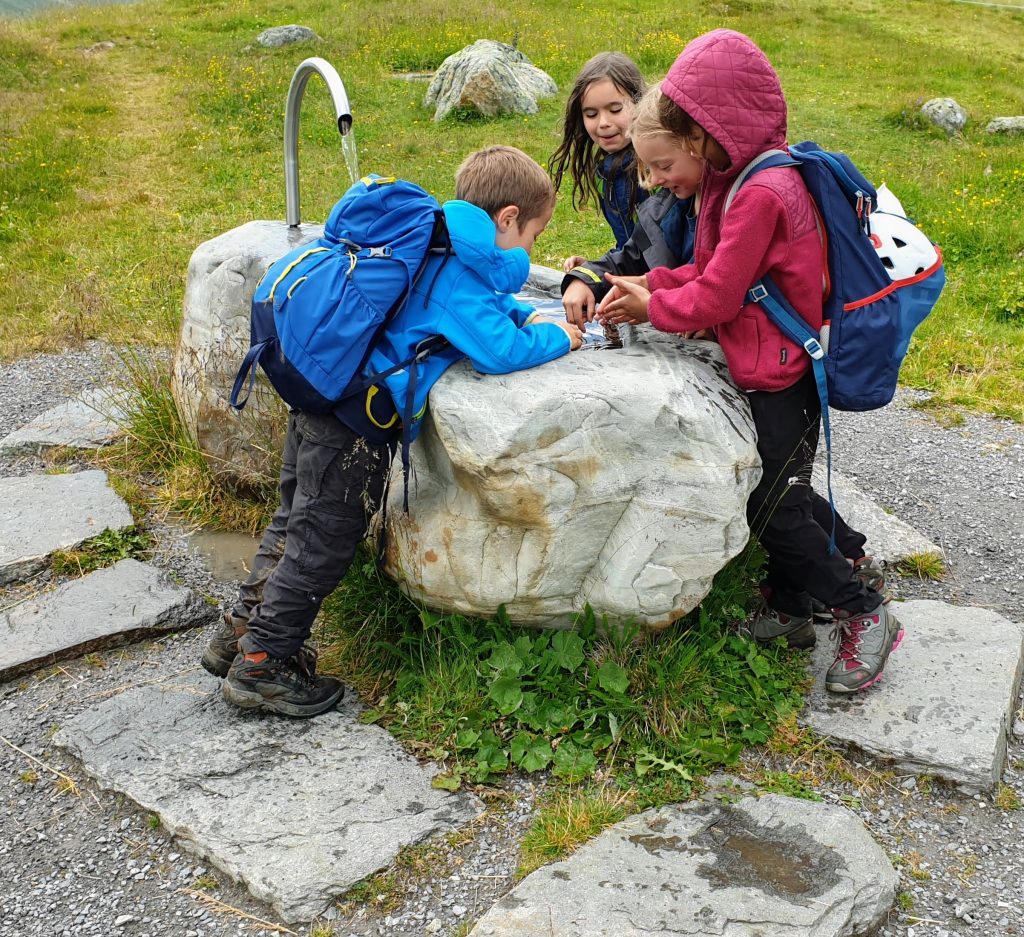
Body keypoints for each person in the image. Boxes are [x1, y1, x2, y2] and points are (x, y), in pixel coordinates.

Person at [202, 146, 584, 718]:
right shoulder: (459, 271)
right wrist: (564, 339)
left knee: (293, 520)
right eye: (533, 233)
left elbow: (470, 307)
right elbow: (499, 352)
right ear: (506, 220)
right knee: (322, 541)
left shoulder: (430, 240)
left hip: (321, 395)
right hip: (356, 422)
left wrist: (520, 310)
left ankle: (239, 632)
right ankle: (263, 664)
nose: (532, 247)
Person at [597, 29, 902, 694]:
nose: (655, 181)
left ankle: (862, 610)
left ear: (704, 136)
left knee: (769, 503)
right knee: (779, 489)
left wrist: (654, 305)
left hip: (784, 373)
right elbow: (705, 271)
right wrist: (652, 288)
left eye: (661, 165)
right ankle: (794, 606)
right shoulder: (728, 181)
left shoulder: (761, 193)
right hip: (765, 362)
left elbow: (719, 294)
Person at [560, 83, 702, 328]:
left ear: (698, 147)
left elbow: (719, 284)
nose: (654, 181)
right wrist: (585, 279)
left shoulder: (731, 209)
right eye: (648, 168)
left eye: (665, 167)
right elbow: (633, 256)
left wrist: (660, 308)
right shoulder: (664, 211)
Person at [549, 52, 649, 272]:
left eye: (615, 110)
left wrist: (603, 269)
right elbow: (630, 246)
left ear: (639, 103)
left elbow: (654, 252)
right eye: (591, 114)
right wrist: (594, 265)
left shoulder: (653, 169)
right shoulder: (607, 173)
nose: (603, 123)